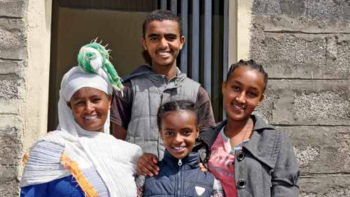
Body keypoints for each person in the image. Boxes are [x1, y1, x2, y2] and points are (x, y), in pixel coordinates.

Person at [137, 59, 300, 197]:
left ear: (260, 99)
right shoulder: (205, 138)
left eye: (251, 93)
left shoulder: (275, 140)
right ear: (224, 87)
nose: (241, 98)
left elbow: (286, 189)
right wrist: (144, 160)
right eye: (236, 88)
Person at [20, 42, 142, 197]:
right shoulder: (49, 151)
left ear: (109, 101)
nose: (89, 108)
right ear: (69, 106)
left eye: (96, 100)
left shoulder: (126, 154)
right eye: (80, 103)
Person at [111, 9, 215, 164]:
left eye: (170, 37)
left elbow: (208, 145)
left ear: (181, 42)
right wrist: (136, 160)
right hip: (138, 185)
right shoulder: (127, 89)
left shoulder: (197, 93)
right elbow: (116, 145)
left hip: (183, 186)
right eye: (154, 38)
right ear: (144, 43)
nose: (163, 44)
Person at [140, 100, 224, 197]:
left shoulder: (210, 181)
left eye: (186, 132)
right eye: (169, 133)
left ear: (197, 132)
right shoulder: (147, 176)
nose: (177, 139)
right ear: (161, 134)